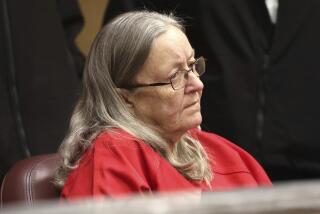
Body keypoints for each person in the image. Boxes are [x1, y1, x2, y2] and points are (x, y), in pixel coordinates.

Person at [55, 11, 271, 199]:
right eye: (175, 76)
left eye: (193, 65)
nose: (198, 84)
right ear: (124, 97)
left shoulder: (227, 154)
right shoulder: (113, 156)